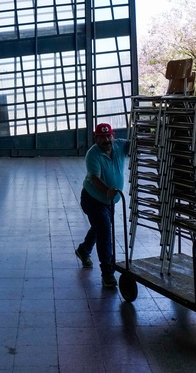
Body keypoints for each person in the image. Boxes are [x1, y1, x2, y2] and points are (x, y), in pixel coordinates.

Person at [75, 122, 128, 288]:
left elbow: (136, 144)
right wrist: (106, 191)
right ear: (96, 138)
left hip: (110, 201)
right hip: (93, 199)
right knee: (104, 229)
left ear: (113, 136)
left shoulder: (119, 146)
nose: (107, 140)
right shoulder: (93, 154)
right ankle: (107, 272)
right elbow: (94, 178)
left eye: (109, 136)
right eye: (103, 137)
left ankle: (84, 250)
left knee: (101, 226)